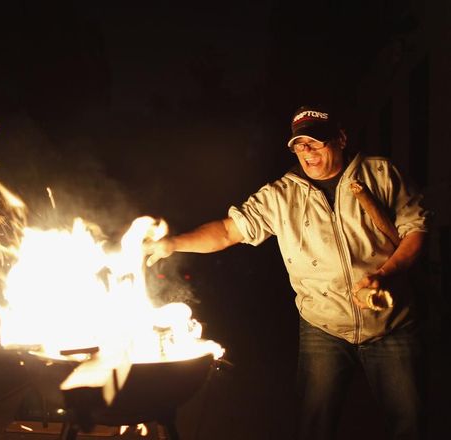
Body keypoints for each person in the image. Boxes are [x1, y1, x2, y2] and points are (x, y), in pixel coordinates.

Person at [144, 105, 429, 439]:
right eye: (299, 144)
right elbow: (226, 231)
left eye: (316, 141)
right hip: (323, 325)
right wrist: (172, 244)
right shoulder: (281, 196)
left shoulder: (380, 174)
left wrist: (386, 275)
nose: (306, 150)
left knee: (409, 421)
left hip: (391, 322)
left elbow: (416, 229)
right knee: (314, 423)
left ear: (340, 139)